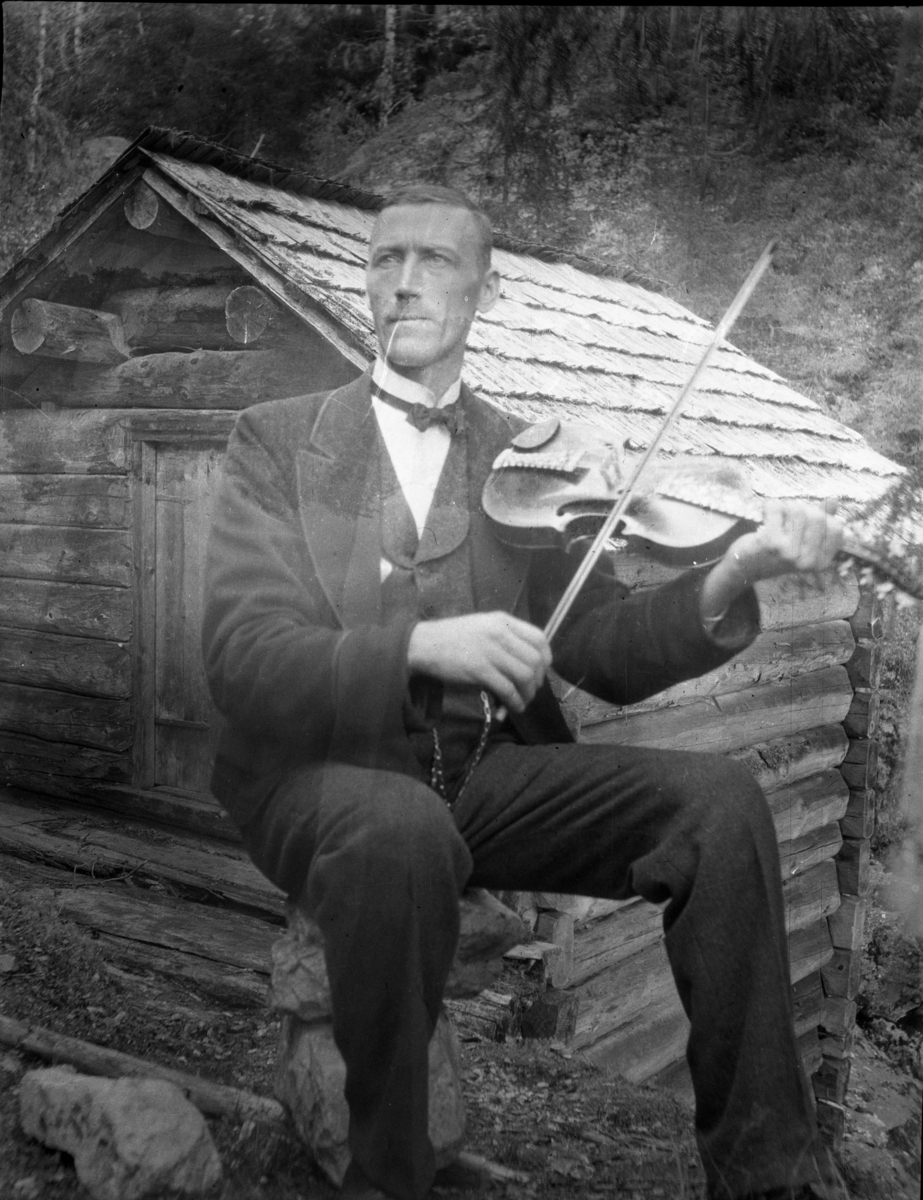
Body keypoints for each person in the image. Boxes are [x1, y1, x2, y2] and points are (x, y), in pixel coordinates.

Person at [202, 184, 845, 1200]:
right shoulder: (275, 439)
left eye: (436, 261)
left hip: (479, 772)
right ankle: (390, 1176)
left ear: (486, 291)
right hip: (316, 778)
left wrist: (726, 576)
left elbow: (602, 650)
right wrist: (422, 643)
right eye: (385, 259)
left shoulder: (527, 460)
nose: (405, 280)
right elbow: (243, 657)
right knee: (395, 828)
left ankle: (765, 1175)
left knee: (717, 805)